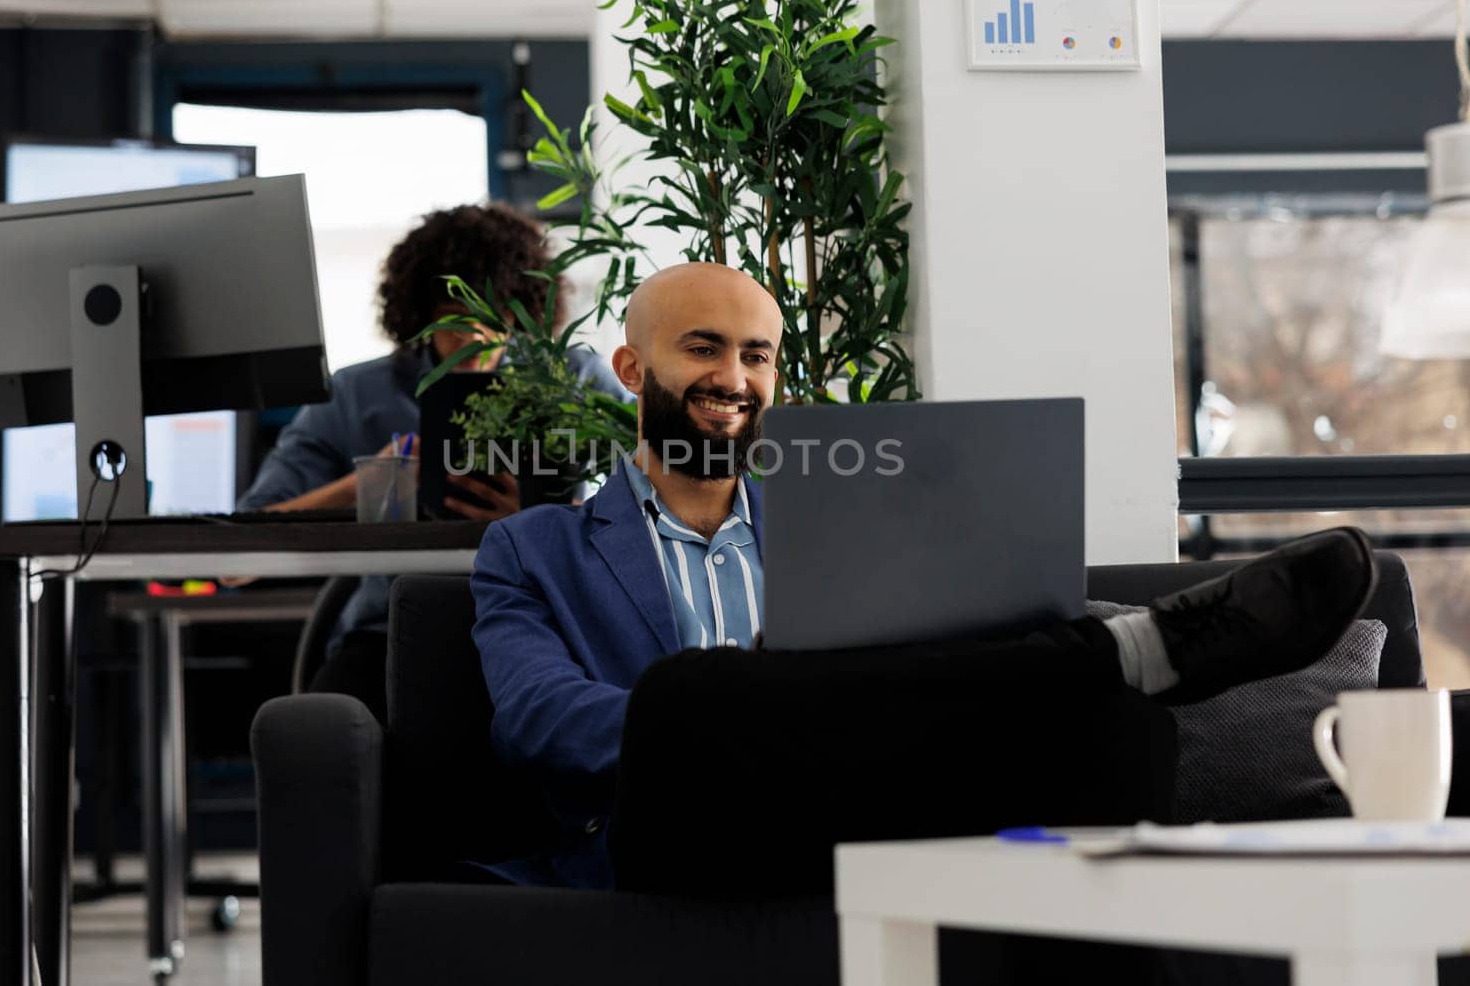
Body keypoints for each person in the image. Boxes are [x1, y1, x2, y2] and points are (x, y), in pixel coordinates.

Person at [468, 261, 1379, 890]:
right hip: (676, 816)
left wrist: (822, 713)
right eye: (704, 348)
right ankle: (1125, 648)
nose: (736, 377)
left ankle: (1123, 666)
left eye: (758, 355)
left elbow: (923, 684)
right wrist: (759, 704)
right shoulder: (533, 548)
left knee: (1118, 727)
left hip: (861, 798)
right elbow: (537, 719)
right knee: (695, 695)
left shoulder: (844, 522)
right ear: (633, 368)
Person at [238, 203, 625, 719]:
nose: (475, 338)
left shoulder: (575, 381)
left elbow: (655, 516)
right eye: (454, 320)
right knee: (318, 726)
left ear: (523, 314)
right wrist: (368, 484)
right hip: (391, 633)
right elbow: (240, 558)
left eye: (497, 318)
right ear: (419, 317)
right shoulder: (357, 395)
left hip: (544, 620)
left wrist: (535, 525)